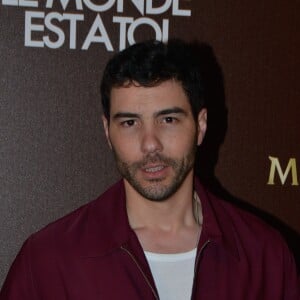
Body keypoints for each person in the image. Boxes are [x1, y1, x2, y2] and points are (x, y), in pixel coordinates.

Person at [0, 39, 299, 300]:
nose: (149, 144)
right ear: (107, 131)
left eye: (168, 119)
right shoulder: (49, 261)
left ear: (201, 125)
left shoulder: (264, 256)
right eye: (130, 123)